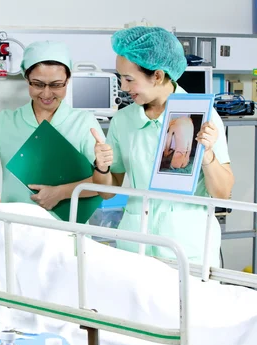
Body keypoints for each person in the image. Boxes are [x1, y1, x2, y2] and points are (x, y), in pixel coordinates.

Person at [92, 26, 235, 267]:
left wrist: (207, 155)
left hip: (187, 249)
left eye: (129, 79)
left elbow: (223, 193)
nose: (124, 87)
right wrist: (102, 167)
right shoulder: (123, 121)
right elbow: (108, 191)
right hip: (136, 243)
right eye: (120, 78)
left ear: (157, 76)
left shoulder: (204, 116)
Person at [0, 40, 104, 217]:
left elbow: (106, 184)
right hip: (16, 234)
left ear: (68, 79)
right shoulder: (7, 123)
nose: (47, 93)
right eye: (38, 84)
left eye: (56, 84)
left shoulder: (83, 123)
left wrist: (61, 192)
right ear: (26, 78)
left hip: (68, 235)